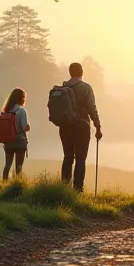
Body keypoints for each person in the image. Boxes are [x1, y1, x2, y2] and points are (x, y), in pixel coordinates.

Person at [59, 63, 103, 192]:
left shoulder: (63, 88)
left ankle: (63, 189)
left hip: (65, 127)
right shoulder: (85, 87)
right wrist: (97, 125)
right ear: (82, 72)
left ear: (70, 72)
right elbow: (91, 108)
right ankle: (77, 190)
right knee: (80, 159)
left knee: (67, 157)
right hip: (81, 127)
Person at [1, 88, 30, 180]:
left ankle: (4, 183)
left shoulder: (6, 110)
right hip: (20, 141)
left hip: (8, 140)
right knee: (19, 167)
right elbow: (24, 127)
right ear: (21, 98)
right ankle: (17, 184)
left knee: (7, 166)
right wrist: (28, 127)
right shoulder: (21, 110)